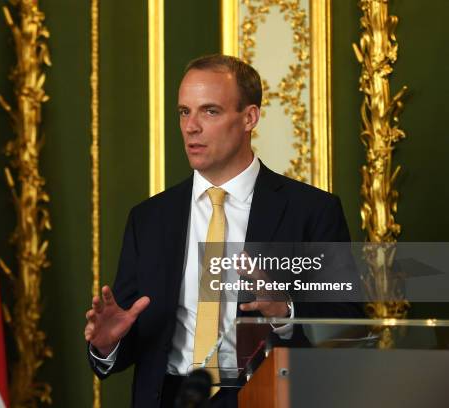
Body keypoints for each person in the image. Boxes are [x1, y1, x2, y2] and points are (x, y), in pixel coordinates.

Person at [84, 54, 362, 407]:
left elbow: (350, 326)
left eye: (209, 111)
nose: (191, 126)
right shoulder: (149, 219)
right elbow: (131, 333)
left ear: (250, 118)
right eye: (184, 112)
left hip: (265, 397)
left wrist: (286, 311)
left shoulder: (311, 211)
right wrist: (108, 344)